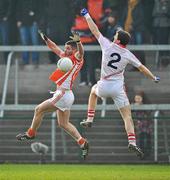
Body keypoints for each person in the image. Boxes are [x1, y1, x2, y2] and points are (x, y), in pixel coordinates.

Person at [79, 8, 160, 159]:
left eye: (115, 35)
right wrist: (153, 77)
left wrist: (87, 15)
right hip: (118, 89)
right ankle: (132, 141)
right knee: (127, 117)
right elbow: (141, 68)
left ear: (117, 40)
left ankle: (90, 118)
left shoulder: (107, 45)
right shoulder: (128, 54)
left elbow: (95, 30)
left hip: (103, 86)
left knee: (93, 92)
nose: (114, 35)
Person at [16, 31, 89, 159]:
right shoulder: (65, 57)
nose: (65, 50)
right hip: (66, 94)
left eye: (68, 49)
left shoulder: (77, 58)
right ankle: (82, 142)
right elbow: (54, 47)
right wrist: (45, 39)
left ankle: (31, 133)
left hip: (63, 94)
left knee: (39, 109)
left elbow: (81, 52)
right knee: (63, 123)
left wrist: (78, 42)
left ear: (74, 50)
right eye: (65, 48)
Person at [132, 92, 152, 158]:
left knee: (148, 138)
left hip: (147, 125)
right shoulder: (134, 105)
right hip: (140, 125)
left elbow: (148, 112)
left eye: (138, 98)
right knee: (141, 140)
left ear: (142, 99)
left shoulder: (146, 105)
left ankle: (148, 153)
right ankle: (141, 154)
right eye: (136, 98)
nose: (137, 100)